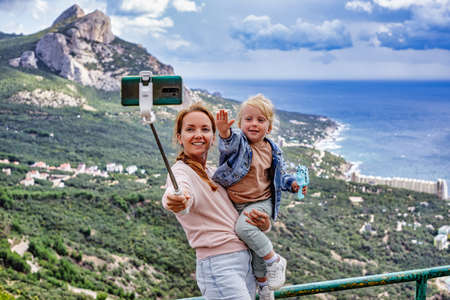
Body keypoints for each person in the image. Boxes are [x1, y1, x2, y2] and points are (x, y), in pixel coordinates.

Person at [162, 103, 271, 300]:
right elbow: (177, 192)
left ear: (213, 138)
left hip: (244, 262)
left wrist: (264, 224)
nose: (198, 135)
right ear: (179, 137)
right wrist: (175, 199)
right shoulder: (180, 171)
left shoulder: (215, 173)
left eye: (205, 129)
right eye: (190, 129)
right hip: (220, 265)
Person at [212, 94, 307, 299]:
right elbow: (228, 143)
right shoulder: (239, 143)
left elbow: (279, 178)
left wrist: (292, 184)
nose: (254, 124)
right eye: (248, 119)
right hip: (236, 204)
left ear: (269, 127)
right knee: (255, 249)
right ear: (240, 124)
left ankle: (275, 261)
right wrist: (224, 132)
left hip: (261, 201)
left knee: (244, 228)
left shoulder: (273, 151)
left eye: (260, 120)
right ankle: (264, 286)